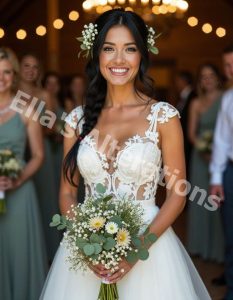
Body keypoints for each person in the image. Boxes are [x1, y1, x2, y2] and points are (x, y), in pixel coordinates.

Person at [40, 9, 211, 299]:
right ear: (96, 55)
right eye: (109, 49)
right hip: (86, 253)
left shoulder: (163, 116)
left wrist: (135, 253)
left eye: (129, 49)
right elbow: (67, 194)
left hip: (148, 249)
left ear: (142, 55)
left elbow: (178, 194)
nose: (119, 60)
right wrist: (86, 245)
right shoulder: (76, 121)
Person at [0, 47, 47, 300]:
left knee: (19, 253)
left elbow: (38, 155)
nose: (1, 78)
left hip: (19, 193)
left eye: (7, 72)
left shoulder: (26, 107)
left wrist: (15, 179)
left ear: (14, 75)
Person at [19, 54, 60, 262]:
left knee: (44, 200)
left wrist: (33, 133)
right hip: (15, 150)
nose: (30, 70)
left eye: (35, 67)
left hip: (40, 149)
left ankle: (46, 253)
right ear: (18, 68)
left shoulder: (44, 94)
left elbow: (52, 126)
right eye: (26, 66)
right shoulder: (9, 91)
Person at [187, 63, 224, 262]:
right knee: (201, 199)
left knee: (219, 202)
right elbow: (191, 133)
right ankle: (199, 245)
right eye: (203, 76)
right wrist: (203, 149)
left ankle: (219, 250)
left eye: (210, 75)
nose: (207, 80)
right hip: (201, 158)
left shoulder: (227, 98)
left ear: (218, 77)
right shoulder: (196, 103)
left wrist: (217, 152)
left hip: (224, 157)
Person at [210, 44, 233, 300]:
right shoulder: (228, 99)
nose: (230, 71)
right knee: (232, 236)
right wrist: (216, 178)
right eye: (227, 65)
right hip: (231, 174)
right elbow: (222, 141)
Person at [175, 71, 196, 180]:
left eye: (177, 80)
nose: (176, 83)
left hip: (188, 141)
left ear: (183, 81)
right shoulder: (182, 97)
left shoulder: (193, 96)